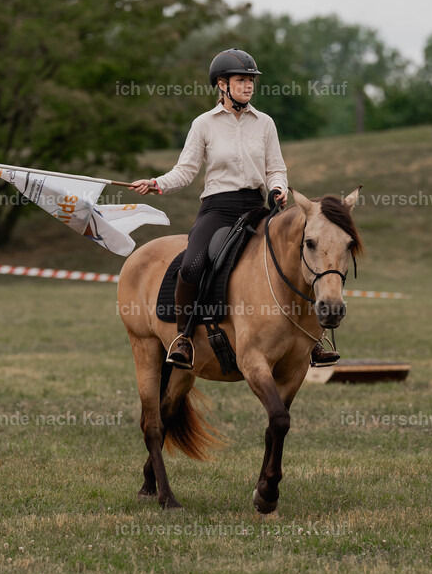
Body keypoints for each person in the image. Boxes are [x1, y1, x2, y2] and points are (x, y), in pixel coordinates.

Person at [130, 48, 339, 370]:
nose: (248, 86)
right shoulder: (203, 124)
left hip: (258, 207)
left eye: (251, 81)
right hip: (218, 207)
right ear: (222, 85)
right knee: (193, 264)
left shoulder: (265, 123)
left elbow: (276, 168)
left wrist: (278, 188)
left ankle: (313, 340)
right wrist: (157, 183)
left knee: (299, 260)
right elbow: (185, 171)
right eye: (241, 80)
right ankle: (183, 338)